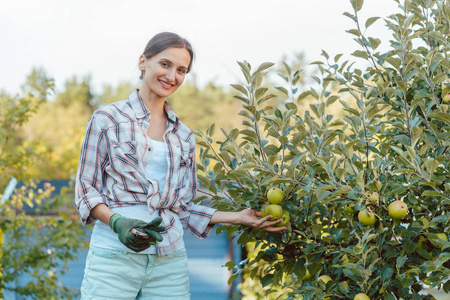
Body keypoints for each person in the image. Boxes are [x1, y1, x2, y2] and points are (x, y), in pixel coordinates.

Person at [75, 31, 285, 300]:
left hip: (169, 261)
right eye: (165, 64)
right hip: (114, 258)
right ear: (143, 62)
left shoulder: (183, 136)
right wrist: (117, 222)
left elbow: (183, 208)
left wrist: (238, 216)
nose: (172, 76)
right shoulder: (107, 119)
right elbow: (85, 188)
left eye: (181, 70)